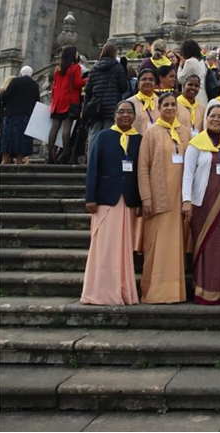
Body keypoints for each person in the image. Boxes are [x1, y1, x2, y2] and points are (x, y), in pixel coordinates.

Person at [80, 101, 141, 306]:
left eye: (129, 112)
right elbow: (93, 167)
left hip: (128, 200)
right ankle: (99, 291)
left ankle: (122, 291)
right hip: (106, 198)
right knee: (104, 248)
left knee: (123, 249)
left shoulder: (138, 139)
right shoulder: (104, 136)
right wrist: (90, 198)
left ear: (134, 116)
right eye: (121, 111)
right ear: (115, 115)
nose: (125, 115)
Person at [182, 102, 220, 305]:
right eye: (212, 116)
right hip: (201, 203)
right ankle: (202, 291)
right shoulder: (195, 143)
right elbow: (188, 174)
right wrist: (186, 200)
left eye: (219, 117)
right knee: (205, 245)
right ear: (206, 118)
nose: (216, 119)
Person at [138, 91, 191, 304]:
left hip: (180, 197)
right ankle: (155, 291)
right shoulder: (151, 133)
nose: (170, 108)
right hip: (159, 197)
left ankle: (175, 292)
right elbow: (143, 167)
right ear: (159, 108)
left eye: (172, 105)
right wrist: (146, 198)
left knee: (176, 245)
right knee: (157, 245)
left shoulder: (186, 132)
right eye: (166, 105)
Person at [84, 43, 129, 157]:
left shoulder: (94, 68)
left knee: (94, 135)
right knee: (109, 134)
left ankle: (92, 162)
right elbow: (123, 87)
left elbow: (88, 89)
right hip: (111, 106)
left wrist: (85, 108)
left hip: (95, 108)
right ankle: (105, 162)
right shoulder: (118, 68)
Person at [49, 46, 86, 164]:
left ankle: (50, 154)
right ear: (72, 55)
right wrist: (87, 79)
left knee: (54, 127)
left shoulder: (58, 69)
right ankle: (65, 153)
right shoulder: (76, 68)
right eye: (76, 52)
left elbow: (54, 87)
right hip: (70, 100)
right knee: (67, 127)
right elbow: (77, 83)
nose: (78, 54)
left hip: (57, 101)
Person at [0, 66, 39, 164]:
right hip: (26, 116)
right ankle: (20, 160)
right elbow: (37, 101)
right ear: (31, 74)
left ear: (21, 73)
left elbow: (5, 96)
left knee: (8, 139)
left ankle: (4, 161)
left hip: (11, 114)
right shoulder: (35, 85)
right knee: (22, 139)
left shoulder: (15, 81)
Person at [177, 39, 208, 108]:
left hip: (193, 96)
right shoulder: (201, 61)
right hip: (203, 95)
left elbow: (181, 79)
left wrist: (180, 65)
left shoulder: (190, 62)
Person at [128, 67, 159, 133]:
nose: (147, 82)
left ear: (156, 84)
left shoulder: (162, 102)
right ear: (138, 84)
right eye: (144, 79)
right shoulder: (129, 103)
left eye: (151, 79)